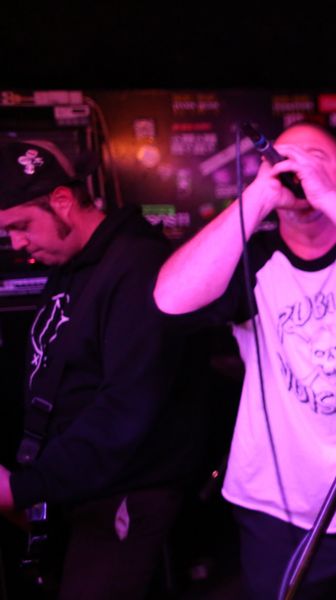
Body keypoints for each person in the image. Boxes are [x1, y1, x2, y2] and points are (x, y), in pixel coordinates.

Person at [153, 123, 336, 599]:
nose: (298, 166)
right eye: (287, 157)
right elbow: (171, 299)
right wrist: (259, 194)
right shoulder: (254, 261)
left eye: (315, 157)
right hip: (278, 509)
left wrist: (327, 199)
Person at [0, 140, 207, 599]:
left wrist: (26, 485)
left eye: (21, 226)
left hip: (126, 491)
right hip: (77, 486)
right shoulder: (74, 262)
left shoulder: (137, 265)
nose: (17, 243)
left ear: (61, 201)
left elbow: (126, 407)